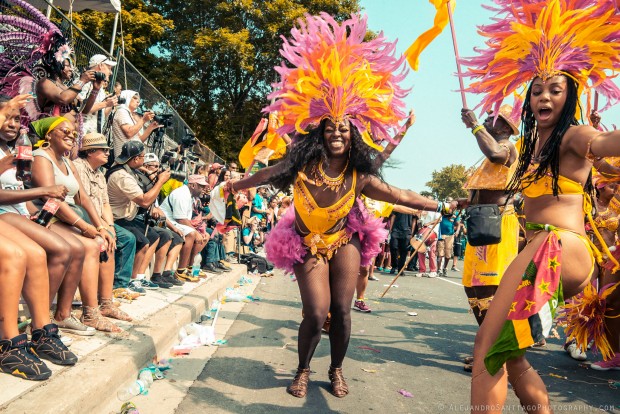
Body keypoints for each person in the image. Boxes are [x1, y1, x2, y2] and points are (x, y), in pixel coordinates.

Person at [225, 13, 457, 400]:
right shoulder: (300, 164)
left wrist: (443, 203)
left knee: (343, 312)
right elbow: (266, 175)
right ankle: (302, 369)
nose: (336, 133)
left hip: (344, 239)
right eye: (330, 127)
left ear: (353, 136)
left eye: (344, 128)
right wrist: (235, 183)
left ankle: (335, 369)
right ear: (320, 132)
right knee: (316, 313)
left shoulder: (360, 175)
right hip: (303, 241)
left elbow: (400, 195)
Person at [461, 1, 620, 410]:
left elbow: (603, 144)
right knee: (511, 357)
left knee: (486, 347)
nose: (543, 96)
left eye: (555, 89)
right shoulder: (534, 148)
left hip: (559, 246)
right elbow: (501, 162)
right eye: (536, 90)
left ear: (569, 97)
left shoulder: (573, 136)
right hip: (546, 248)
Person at [31, 117, 115, 334]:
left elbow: (83, 197)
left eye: (73, 132)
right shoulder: (41, 157)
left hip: (70, 216)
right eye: (64, 131)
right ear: (48, 135)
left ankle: (87, 311)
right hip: (49, 215)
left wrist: (101, 226)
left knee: (101, 240)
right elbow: (53, 200)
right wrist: (85, 227)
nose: (71, 135)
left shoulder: (67, 161)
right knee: (87, 246)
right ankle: (55, 316)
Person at [459, 104, 520, 371]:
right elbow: (486, 189)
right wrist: (463, 202)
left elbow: (495, 154)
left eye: (491, 119)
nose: (485, 119)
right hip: (481, 224)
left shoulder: (507, 147)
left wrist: (474, 126)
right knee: (472, 288)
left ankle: (494, 353)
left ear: (506, 127)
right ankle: (487, 347)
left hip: (497, 225)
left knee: (487, 289)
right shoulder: (488, 153)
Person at [74, 133, 134, 326]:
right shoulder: (78, 167)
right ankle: (93, 308)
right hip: (83, 218)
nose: (108, 153)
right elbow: (81, 203)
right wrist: (103, 228)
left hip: (100, 219)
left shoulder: (100, 173)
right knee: (104, 241)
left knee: (121, 238)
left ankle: (107, 302)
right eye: (103, 150)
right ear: (90, 152)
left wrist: (110, 227)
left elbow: (106, 204)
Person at [106, 141, 175, 289]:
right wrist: (161, 181)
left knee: (154, 236)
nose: (144, 161)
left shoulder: (129, 169)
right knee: (141, 241)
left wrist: (148, 173)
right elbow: (145, 201)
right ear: (136, 159)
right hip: (117, 218)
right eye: (142, 157)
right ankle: (128, 281)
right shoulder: (122, 176)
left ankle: (139, 276)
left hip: (127, 217)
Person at [160, 174, 210, 279]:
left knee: (205, 235)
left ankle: (190, 267)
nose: (203, 189)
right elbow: (181, 219)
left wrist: (199, 231)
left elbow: (185, 220)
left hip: (176, 222)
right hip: (165, 222)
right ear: (192, 185)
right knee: (191, 234)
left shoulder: (190, 196)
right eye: (200, 186)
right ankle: (181, 270)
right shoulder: (181, 194)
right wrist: (196, 232)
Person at [111, 91, 160, 158]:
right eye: (134, 98)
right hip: (124, 158)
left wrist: (150, 127)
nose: (138, 102)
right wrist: (143, 120)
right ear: (126, 98)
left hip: (131, 157)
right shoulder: (122, 111)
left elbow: (139, 140)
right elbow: (129, 133)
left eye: (138, 100)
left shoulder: (129, 115)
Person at [78, 54, 119, 134]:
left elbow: (102, 115)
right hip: (81, 132)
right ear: (100, 65)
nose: (111, 72)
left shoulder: (99, 88)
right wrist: (105, 103)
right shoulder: (85, 83)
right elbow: (80, 109)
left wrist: (111, 104)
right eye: (109, 68)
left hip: (94, 133)